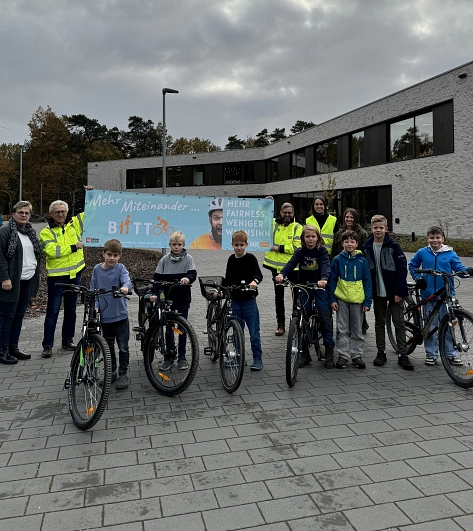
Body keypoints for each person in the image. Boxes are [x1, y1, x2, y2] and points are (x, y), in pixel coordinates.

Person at [40, 185, 93, 358]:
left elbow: (91, 213)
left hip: (75, 275)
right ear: (51, 214)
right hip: (56, 278)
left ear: (67, 211)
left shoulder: (74, 225)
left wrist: (90, 194)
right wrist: (72, 247)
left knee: (71, 310)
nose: (61, 214)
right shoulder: (46, 232)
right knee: (53, 311)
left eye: (63, 211)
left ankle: (67, 340)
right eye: (57, 212)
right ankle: (47, 345)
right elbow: (50, 251)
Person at [408, 226, 473, 366]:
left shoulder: (450, 253)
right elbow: (412, 265)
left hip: (446, 294)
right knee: (430, 326)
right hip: (428, 294)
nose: (435, 240)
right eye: (432, 238)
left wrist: (466, 272)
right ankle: (431, 354)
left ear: (443, 239)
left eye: (438, 237)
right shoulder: (422, 252)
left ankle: (450, 353)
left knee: (449, 325)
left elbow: (458, 268)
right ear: (427, 239)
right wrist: (418, 277)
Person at [276, 224, 335, 369]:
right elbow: (291, 264)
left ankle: (329, 352)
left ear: (318, 238)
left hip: (319, 286)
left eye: (313, 236)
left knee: (323, 315)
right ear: (303, 238)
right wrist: (282, 274)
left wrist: (324, 279)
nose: (310, 239)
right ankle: (304, 353)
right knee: (303, 316)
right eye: (307, 236)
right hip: (304, 287)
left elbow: (326, 266)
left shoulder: (321, 251)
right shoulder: (300, 252)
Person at [362, 215, 414, 371]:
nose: (378, 230)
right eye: (375, 228)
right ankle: (381, 352)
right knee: (379, 322)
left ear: (386, 228)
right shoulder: (366, 247)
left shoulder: (394, 246)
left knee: (398, 322)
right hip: (377, 291)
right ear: (371, 229)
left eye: (381, 227)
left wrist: (399, 291)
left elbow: (401, 269)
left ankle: (403, 354)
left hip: (394, 291)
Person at [0, 201, 41, 364]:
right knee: (6, 317)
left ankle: (13, 348)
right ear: (14, 213)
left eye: (27, 213)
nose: (24, 215)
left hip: (27, 280)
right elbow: (0, 257)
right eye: (21, 212)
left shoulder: (30, 232)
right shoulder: (5, 231)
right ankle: (2, 350)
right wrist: (4, 277)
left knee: (18, 316)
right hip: (11, 282)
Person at [150, 231, 197, 371]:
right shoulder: (164, 260)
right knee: (169, 330)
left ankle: (182, 356)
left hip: (182, 299)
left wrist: (188, 278)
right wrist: (154, 293)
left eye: (180, 245)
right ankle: (169, 357)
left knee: (182, 329)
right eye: (174, 244)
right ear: (169, 245)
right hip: (168, 299)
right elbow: (156, 279)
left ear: (183, 245)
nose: (177, 247)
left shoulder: (188, 259)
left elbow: (193, 274)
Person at [90, 239, 132, 389]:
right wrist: (95, 306)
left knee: (123, 347)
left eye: (115, 255)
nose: (111, 258)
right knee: (108, 347)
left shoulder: (120, 268)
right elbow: (93, 289)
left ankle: (122, 374)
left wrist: (125, 287)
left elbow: (126, 281)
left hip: (120, 316)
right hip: (105, 317)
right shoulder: (97, 269)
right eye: (109, 254)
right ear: (103, 253)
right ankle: (112, 372)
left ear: (120, 256)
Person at [328, 230, 372, 369]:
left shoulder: (362, 260)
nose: (349, 244)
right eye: (346, 241)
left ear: (357, 243)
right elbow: (332, 280)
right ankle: (343, 355)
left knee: (357, 329)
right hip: (341, 299)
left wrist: (367, 302)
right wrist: (332, 299)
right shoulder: (337, 260)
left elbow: (367, 281)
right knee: (342, 329)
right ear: (342, 244)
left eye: (352, 241)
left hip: (357, 300)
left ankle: (357, 355)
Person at [223, 230, 264, 371]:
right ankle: (239, 358)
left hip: (249, 301)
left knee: (254, 333)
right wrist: (222, 290)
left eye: (241, 245)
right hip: (235, 302)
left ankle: (257, 358)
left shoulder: (251, 258)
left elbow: (258, 274)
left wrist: (254, 281)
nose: (239, 248)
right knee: (236, 332)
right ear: (232, 245)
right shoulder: (231, 259)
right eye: (236, 245)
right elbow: (228, 279)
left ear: (247, 244)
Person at [263, 202, 302, 336]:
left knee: (296, 296)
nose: (287, 215)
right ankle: (281, 324)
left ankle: (296, 322)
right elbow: (259, 219)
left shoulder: (297, 227)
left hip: (293, 268)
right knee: (278, 297)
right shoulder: (274, 224)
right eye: (284, 212)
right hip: (277, 268)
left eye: (289, 213)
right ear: (280, 212)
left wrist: (279, 248)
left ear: (293, 214)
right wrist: (264, 204)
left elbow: (297, 248)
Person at [331, 207, 369, 334]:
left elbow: (364, 252)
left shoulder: (362, 233)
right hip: (341, 266)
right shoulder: (339, 233)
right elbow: (334, 250)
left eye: (351, 217)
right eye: (347, 217)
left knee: (358, 301)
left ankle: (361, 325)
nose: (349, 219)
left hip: (356, 268)